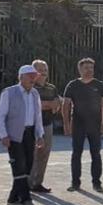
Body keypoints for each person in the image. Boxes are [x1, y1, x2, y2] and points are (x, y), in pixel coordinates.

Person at [0, 65, 45, 205]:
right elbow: (0, 116)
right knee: (19, 166)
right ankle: (25, 199)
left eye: (34, 76)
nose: (33, 79)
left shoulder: (35, 94)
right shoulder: (9, 92)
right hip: (14, 135)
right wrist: (3, 135)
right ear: (21, 77)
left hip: (29, 134)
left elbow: (38, 116)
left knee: (28, 166)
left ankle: (13, 198)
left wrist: (39, 135)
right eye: (30, 76)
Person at [62, 58, 103, 193]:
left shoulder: (99, 85)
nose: (89, 70)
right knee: (76, 153)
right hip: (78, 124)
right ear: (80, 69)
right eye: (86, 68)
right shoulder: (72, 85)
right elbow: (66, 105)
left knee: (96, 154)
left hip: (94, 125)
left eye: (91, 68)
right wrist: (66, 124)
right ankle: (75, 183)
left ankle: (97, 183)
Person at [29, 59, 61, 194]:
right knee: (32, 154)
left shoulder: (51, 88)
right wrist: (49, 104)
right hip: (31, 126)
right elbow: (34, 106)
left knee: (44, 154)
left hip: (47, 124)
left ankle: (38, 183)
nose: (42, 73)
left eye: (45, 70)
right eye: (39, 70)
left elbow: (57, 105)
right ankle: (27, 184)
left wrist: (50, 105)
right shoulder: (29, 87)